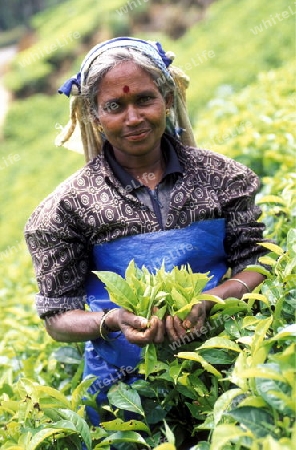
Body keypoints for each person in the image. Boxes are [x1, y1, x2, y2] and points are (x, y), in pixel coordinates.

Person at [24, 36, 269, 426]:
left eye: (144, 99)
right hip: (125, 396)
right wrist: (110, 322)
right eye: (115, 106)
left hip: (231, 371)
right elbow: (58, 317)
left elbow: (257, 264)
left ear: (167, 98)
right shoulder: (63, 210)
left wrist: (210, 301)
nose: (133, 117)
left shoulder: (226, 178)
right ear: (93, 114)